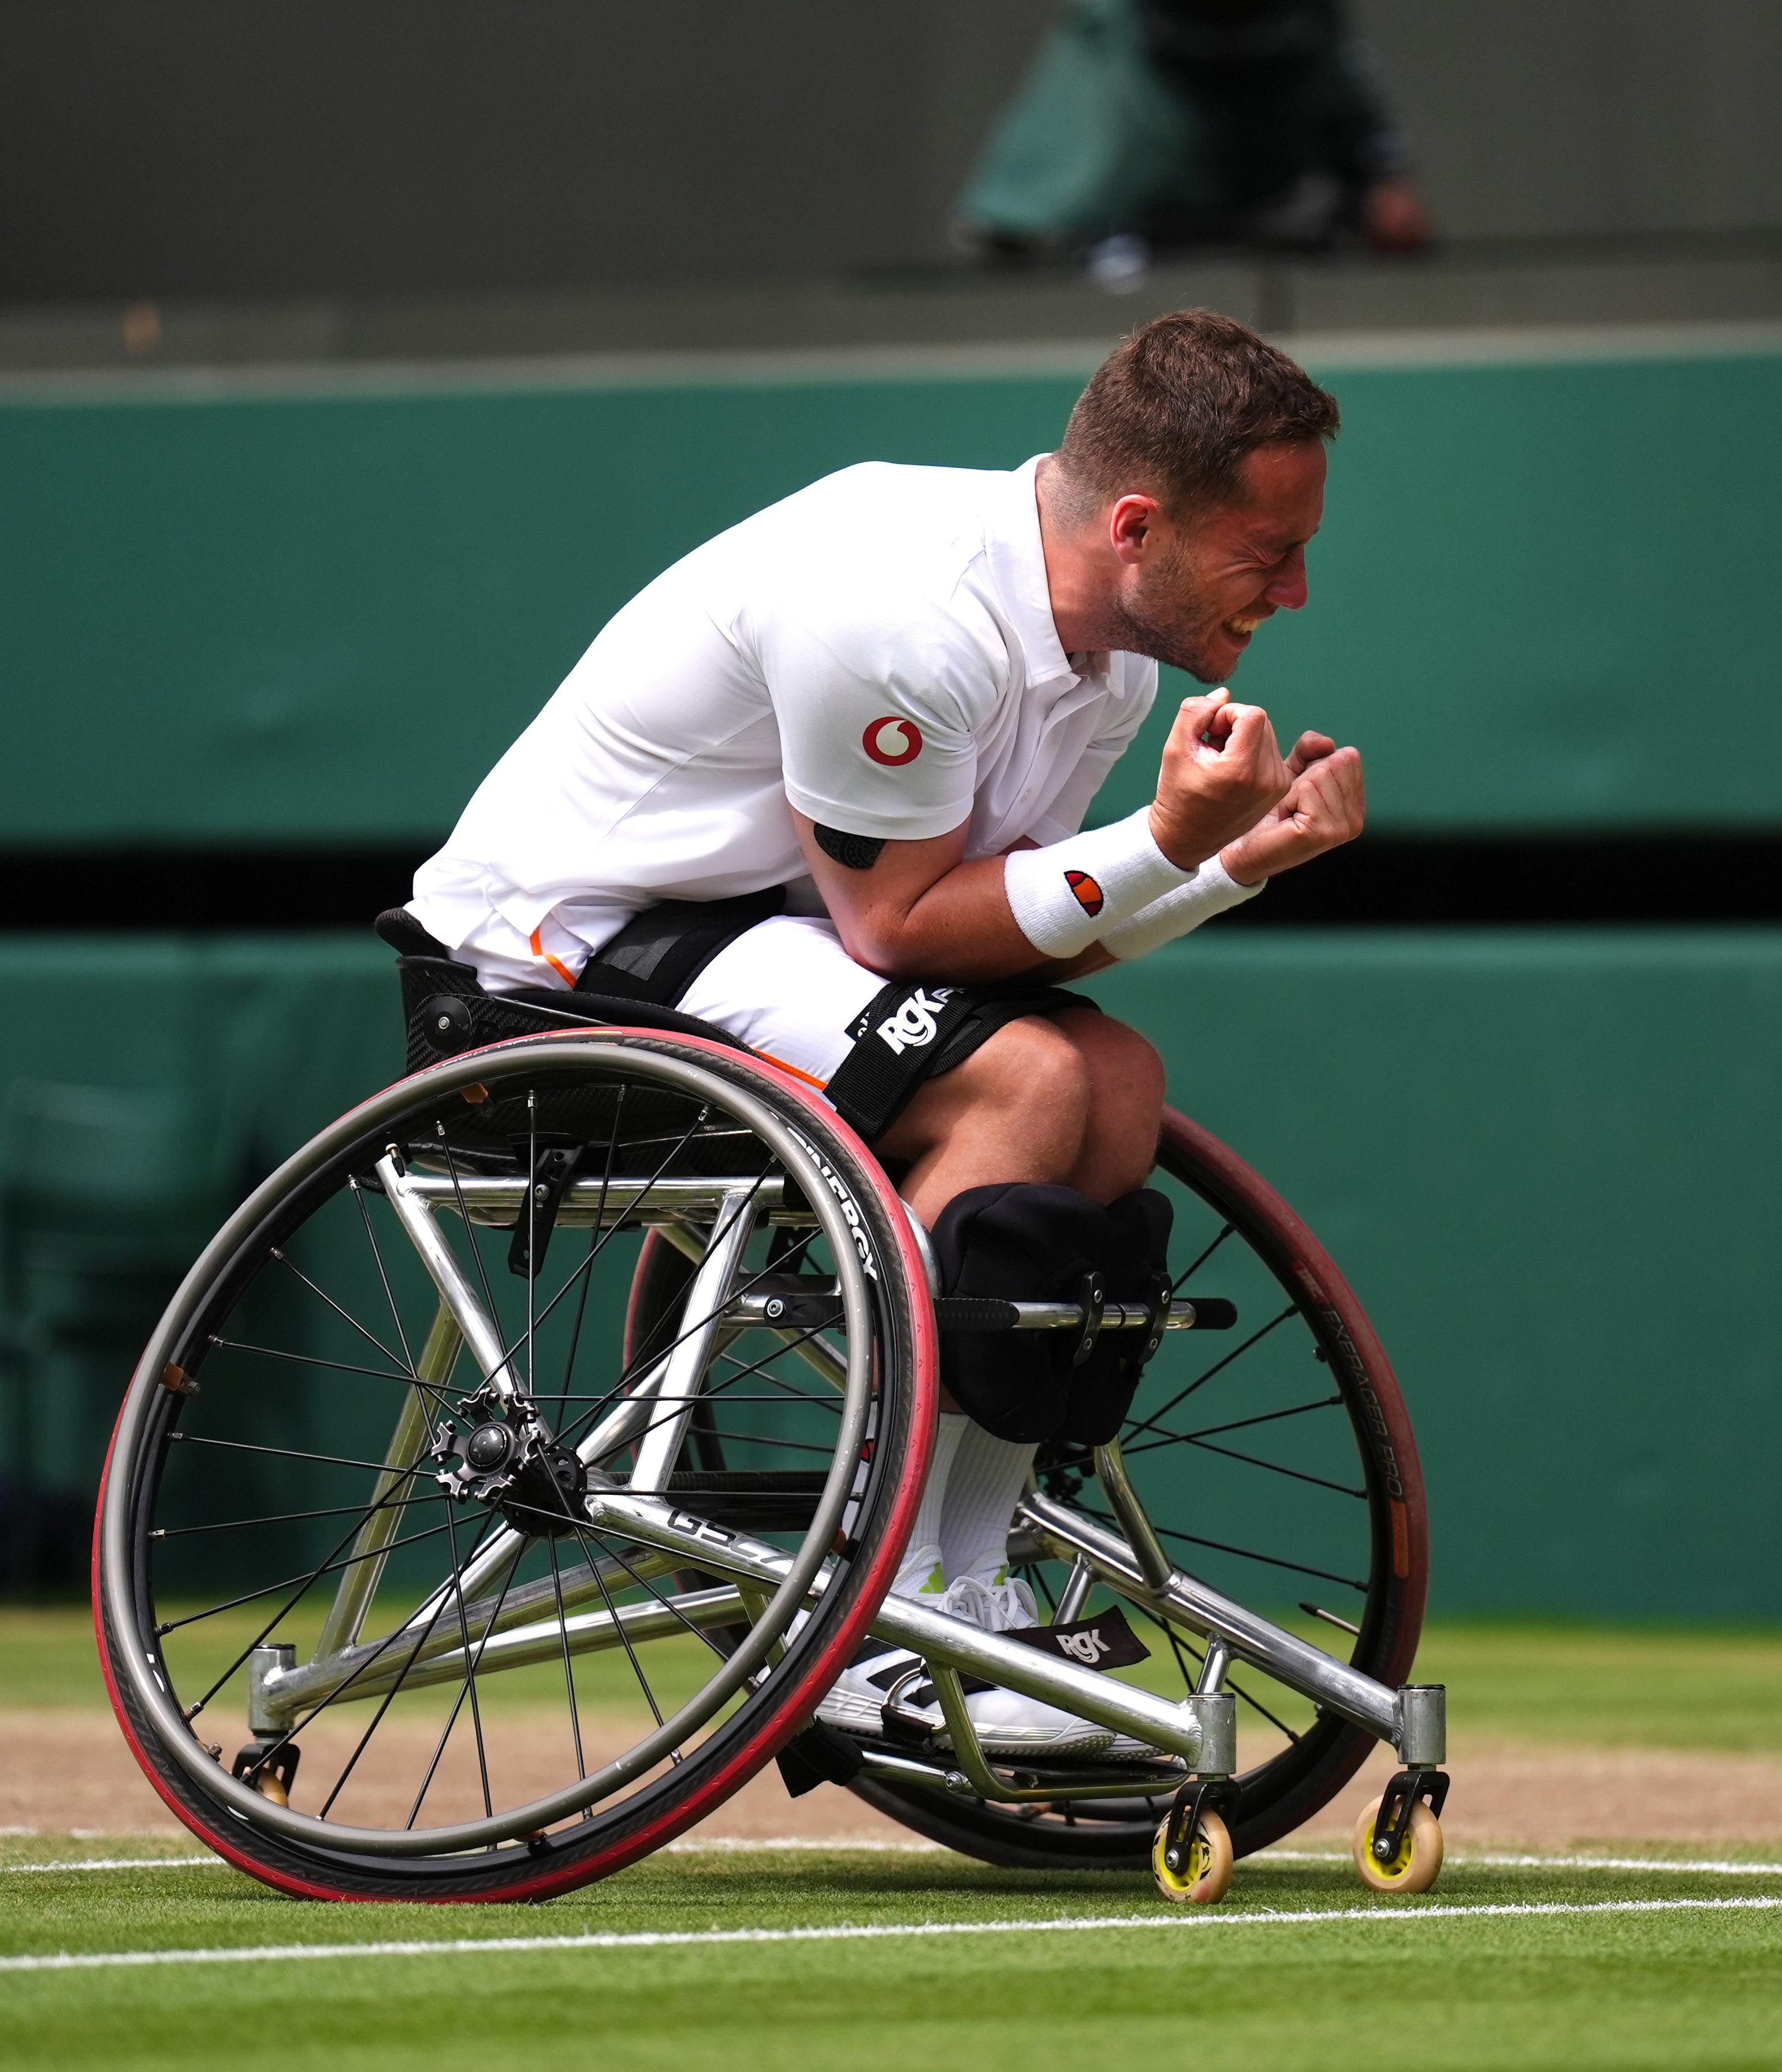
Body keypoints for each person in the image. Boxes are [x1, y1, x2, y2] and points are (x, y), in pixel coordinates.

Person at [401, 309, 1366, 1754]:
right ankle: (875, 1616)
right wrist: (1168, 838)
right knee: (1026, 1079)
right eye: (1265, 552)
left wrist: (1222, 864)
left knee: (1110, 1076)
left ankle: (963, 1601)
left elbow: (1008, 934)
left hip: (745, 935)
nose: (1293, 591)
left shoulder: (1111, 662)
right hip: (550, 950)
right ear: (1134, 525)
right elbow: (906, 934)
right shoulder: (900, 612)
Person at [959, 0, 1432, 274]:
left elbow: (1348, 95)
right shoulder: (1110, 36)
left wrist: (1381, 175)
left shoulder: (1308, 20)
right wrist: (1012, 220)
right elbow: (1002, 226)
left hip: (1280, 219)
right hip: (1138, 234)